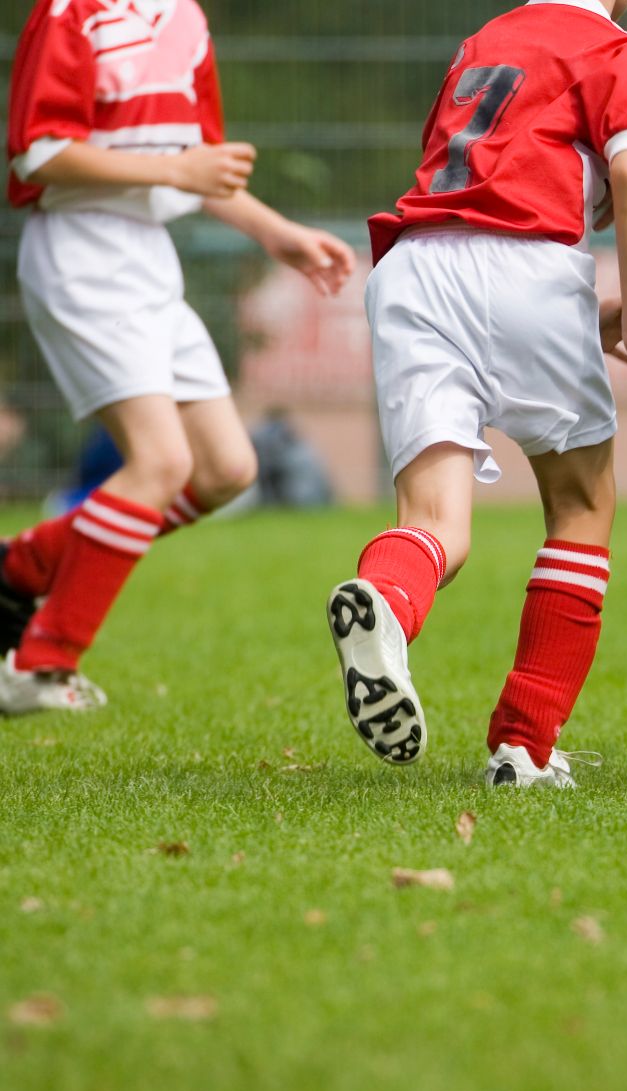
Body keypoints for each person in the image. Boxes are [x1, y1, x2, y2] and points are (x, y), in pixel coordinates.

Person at [326, 0, 627, 788]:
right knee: (582, 508)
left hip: (413, 269)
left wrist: (589, 320)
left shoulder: (484, 42)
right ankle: (524, 747)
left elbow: (481, 213)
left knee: (433, 524)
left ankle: (385, 598)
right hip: (531, 265)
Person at [0, 0, 354, 716]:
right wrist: (175, 169)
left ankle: (25, 563)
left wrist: (276, 231)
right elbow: (36, 153)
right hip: (80, 250)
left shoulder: (185, 17)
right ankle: (38, 662)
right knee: (158, 463)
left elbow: (202, 169)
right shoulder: (73, 12)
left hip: (147, 258)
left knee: (227, 468)